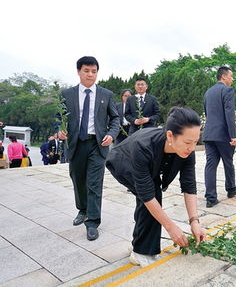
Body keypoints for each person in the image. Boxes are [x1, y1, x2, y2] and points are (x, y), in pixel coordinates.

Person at [106, 107, 206, 267]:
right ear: (170, 135)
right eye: (188, 142)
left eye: (196, 142)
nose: (192, 147)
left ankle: (139, 243)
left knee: (151, 198)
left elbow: (189, 185)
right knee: (151, 196)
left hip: (151, 164)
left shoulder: (188, 151)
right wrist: (171, 228)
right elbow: (147, 195)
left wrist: (194, 221)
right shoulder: (143, 146)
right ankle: (140, 251)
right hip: (123, 161)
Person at [58, 56, 120, 241]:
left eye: (94, 71)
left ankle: (92, 222)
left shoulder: (106, 94)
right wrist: (59, 130)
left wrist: (112, 133)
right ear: (78, 71)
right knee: (78, 179)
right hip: (75, 144)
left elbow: (115, 118)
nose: (90, 74)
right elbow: (57, 117)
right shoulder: (66, 94)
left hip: (97, 144)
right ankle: (82, 210)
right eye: (86, 71)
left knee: (94, 183)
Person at [203, 66, 236, 207]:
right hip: (223, 134)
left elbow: (207, 112)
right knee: (228, 161)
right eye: (231, 76)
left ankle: (210, 197)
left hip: (209, 133)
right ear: (224, 76)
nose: (232, 79)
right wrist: (233, 135)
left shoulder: (208, 92)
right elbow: (229, 114)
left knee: (210, 165)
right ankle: (231, 189)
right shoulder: (228, 90)